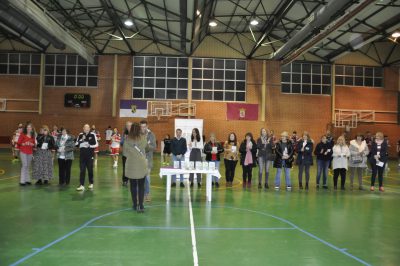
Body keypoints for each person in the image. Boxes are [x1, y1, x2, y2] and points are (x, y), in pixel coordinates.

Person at [123, 122, 148, 213]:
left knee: (133, 186)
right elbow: (146, 147)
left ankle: (134, 204)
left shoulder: (127, 139)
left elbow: (125, 153)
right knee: (141, 186)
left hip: (131, 165)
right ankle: (141, 205)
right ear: (139, 129)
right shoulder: (143, 138)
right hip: (141, 164)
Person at [75, 124, 98, 191]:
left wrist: (89, 145)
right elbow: (76, 144)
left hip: (90, 156)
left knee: (90, 170)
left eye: (87, 127)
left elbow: (96, 144)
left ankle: (91, 183)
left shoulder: (93, 135)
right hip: (82, 156)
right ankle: (81, 185)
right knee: (82, 170)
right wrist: (81, 140)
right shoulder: (80, 135)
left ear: (89, 128)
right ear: (83, 128)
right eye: (85, 127)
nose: (86, 129)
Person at [140, 120, 156, 202]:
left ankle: (147, 194)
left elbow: (154, 147)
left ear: (147, 126)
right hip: (139, 159)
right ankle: (140, 194)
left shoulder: (151, 135)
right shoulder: (138, 135)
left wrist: (147, 146)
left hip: (148, 159)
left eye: (144, 126)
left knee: (147, 176)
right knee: (139, 177)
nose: (143, 128)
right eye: (141, 126)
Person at [120, 121, 132, 186]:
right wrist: (124, 140)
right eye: (127, 125)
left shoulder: (134, 133)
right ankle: (125, 180)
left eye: (130, 125)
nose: (128, 127)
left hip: (133, 154)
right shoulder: (124, 133)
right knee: (125, 167)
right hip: (125, 154)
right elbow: (121, 143)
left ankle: (133, 179)